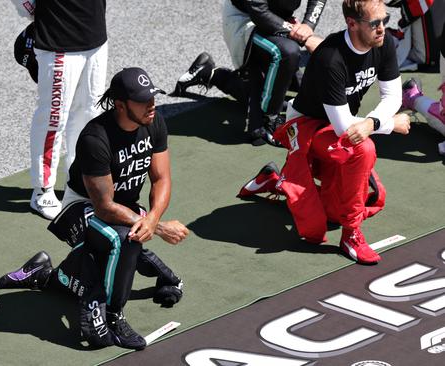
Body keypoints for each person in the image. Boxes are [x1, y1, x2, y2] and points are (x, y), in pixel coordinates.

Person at [0, 68, 188, 350]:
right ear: (120, 105)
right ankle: (113, 316)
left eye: (153, 98)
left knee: (127, 241)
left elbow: (161, 178)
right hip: (82, 208)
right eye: (143, 100)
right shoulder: (95, 138)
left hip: (125, 208)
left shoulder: (154, 122)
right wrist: (156, 227)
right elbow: (105, 206)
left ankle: (45, 275)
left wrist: (154, 218)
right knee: (123, 239)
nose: (152, 105)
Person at [237, 0, 411, 264]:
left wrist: (370, 123)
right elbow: (346, 129)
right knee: (363, 150)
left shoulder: (382, 43)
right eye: (375, 23)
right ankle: (351, 235)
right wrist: (384, 124)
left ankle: (278, 180)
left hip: (339, 125)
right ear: (352, 24)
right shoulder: (331, 57)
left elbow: (392, 96)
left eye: (385, 20)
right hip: (306, 125)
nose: (382, 29)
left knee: (340, 210)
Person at [173, 0, 326, 146]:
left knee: (306, 92)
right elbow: (259, 12)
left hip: (278, 18)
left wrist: (307, 26)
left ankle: (209, 73)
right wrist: (300, 35)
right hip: (245, 21)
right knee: (287, 53)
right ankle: (269, 120)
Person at [27, 0, 108, 220]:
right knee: (53, 119)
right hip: (58, 38)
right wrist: (32, 9)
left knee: (90, 113)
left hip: (95, 35)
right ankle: (42, 191)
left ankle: (78, 182)